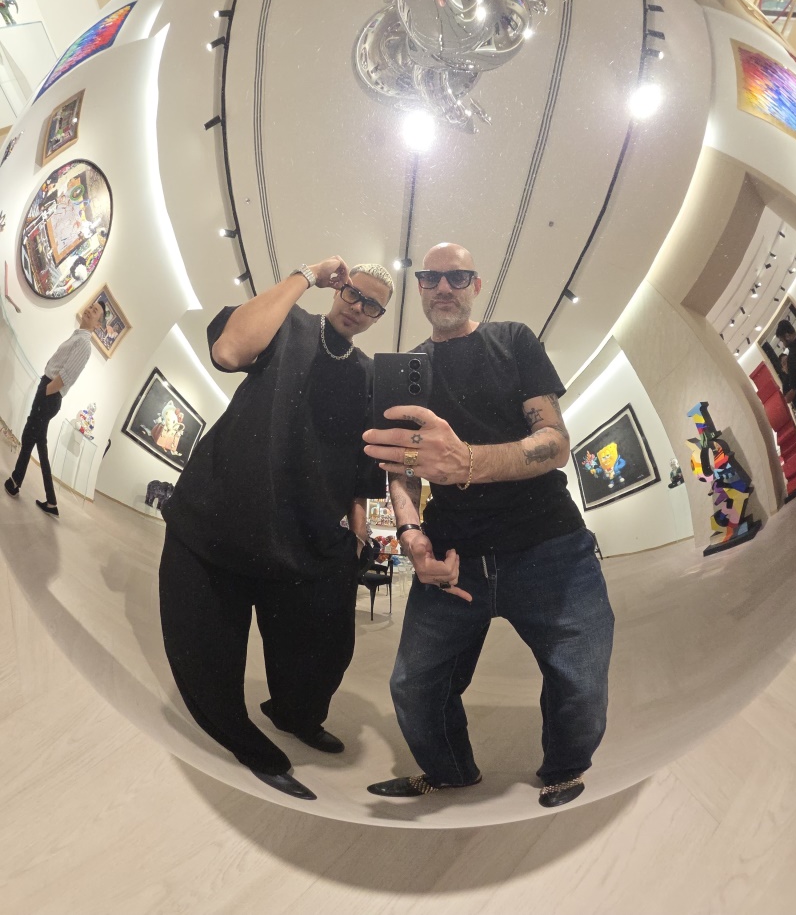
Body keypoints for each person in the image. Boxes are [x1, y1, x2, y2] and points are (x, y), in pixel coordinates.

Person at [362, 243, 614, 808]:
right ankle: (450, 772)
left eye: (458, 277)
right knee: (416, 685)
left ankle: (564, 770)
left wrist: (468, 462)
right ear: (419, 287)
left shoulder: (514, 340)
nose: (443, 286)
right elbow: (401, 469)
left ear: (476, 286)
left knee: (580, 681)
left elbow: (554, 442)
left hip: (551, 548)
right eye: (431, 277)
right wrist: (410, 537)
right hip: (453, 559)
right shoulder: (404, 371)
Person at [158, 256, 393, 802]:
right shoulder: (287, 322)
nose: (358, 307)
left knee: (325, 646)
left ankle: (294, 714)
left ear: (379, 317)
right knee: (206, 644)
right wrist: (305, 276)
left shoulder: (367, 377)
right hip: (223, 513)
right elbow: (228, 351)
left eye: (373, 306)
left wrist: (360, 530)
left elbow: (361, 465)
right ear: (339, 287)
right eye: (354, 293)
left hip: (310, 534)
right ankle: (245, 743)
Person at [4, 301, 106, 517]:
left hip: (50, 395)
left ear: (98, 325)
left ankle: (15, 481)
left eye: (95, 311)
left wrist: (46, 391)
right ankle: (51, 501)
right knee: (39, 443)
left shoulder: (84, 344)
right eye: (91, 307)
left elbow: (66, 376)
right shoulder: (78, 336)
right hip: (48, 391)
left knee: (29, 436)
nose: (90, 310)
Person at [776, 320, 796, 417]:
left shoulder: (793, 357)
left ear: (787, 336)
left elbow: (794, 385)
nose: (784, 344)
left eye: (782, 341)